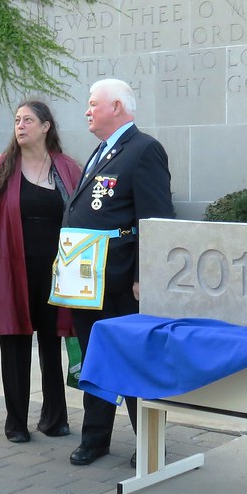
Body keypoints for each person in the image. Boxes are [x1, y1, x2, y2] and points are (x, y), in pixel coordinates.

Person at [63, 78, 175, 466]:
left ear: (116, 107)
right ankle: (95, 438)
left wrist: (146, 274)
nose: (87, 111)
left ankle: (150, 441)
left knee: (132, 360)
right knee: (95, 358)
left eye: (93, 104)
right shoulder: (102, 151)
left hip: (123, 279)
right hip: (88, 278)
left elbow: (156, 219)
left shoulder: (143, 150)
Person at [0, 101, 82, 443]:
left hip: (57, 272)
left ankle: (55, 418)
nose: (20, 126)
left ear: (46, 127)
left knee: (52, 343)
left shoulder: (67, 167)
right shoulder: (0, 166)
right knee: (15, 345)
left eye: (28, 120)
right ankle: (16, 422)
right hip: (13, 270)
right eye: (17, 120)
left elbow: (81, 214)